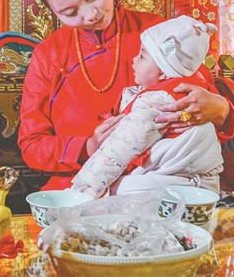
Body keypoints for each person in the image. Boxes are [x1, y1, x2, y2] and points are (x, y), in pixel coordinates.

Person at [18, 0, 234, 191]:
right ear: (52, 11)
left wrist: (220, 110)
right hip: (76, 187)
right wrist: (88, 146)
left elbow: (209, 107)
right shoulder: (49, 55)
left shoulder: (158, 34)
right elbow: (32, 145)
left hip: (160, 184)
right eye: (70, 12)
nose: (90, 15)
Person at [71, 16, 223, 197]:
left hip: (183, 183)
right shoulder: (176, 89)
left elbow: (119, 148)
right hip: (191, 180)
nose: (134, 59)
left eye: (142, 56)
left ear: (165, 72)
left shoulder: (158, 101)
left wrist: (84, 189)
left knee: (114, 193)